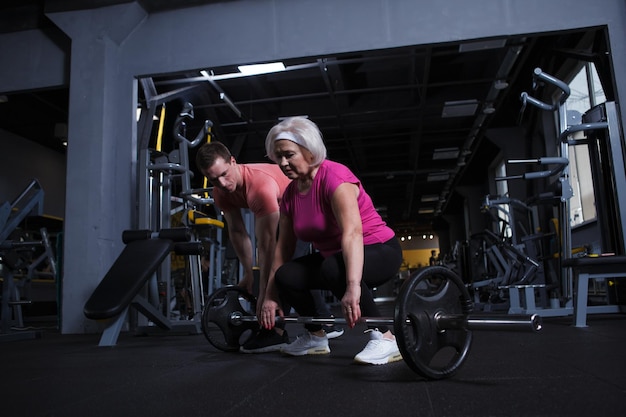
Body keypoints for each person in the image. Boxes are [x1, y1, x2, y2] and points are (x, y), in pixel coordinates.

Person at [259, 117, 403, 365]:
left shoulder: (335, 178)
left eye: (289, 155)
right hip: (335, 259)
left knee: (333, 266)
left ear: (309, 150)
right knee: (287, 274)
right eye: (278, 156)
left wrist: (353, 287)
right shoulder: (291, 194)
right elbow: (283, 249)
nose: (282, 163)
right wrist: (270, 294)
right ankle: (315, 336)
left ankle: (387, 337)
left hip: (378, 250)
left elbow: (352, 233)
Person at [195, 142, 342, 353]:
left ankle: (276, 332)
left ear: (233, 162)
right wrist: (248, 273)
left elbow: (267, 245)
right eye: (214, 179)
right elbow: (237, 232)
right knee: (293, 270)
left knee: (283, 270)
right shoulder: (220, 192)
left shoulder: (259, 185)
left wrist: (266, 295)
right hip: (287, 212)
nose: (223, 183)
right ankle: (325, 320)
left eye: (225, 174)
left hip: (309, 208)